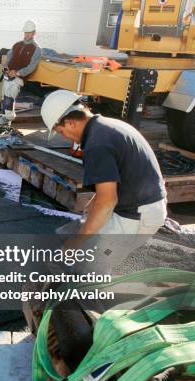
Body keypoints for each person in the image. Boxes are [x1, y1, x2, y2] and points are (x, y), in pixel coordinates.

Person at [41, 90, 168, 272]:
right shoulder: (107, 126)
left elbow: (108, 201)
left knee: (92, 268)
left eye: (61, 131)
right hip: (142, 206)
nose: (64, 137)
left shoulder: (97, 145)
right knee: (83, 234)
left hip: (137, 215)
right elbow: (108, 189)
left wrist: (75, 244)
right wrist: (89, 212)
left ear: (69, 123)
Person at [0, 19, 42, 126]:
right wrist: (5, 66)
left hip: (19, 78)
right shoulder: (17, 44)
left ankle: (8, 119)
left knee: (9, 97)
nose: (27, 35)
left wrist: (17, 73)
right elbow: (8, 56)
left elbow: (31, 67)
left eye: (29, 33)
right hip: (8, 75)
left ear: (34, 33)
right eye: (26, 32)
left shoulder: (36, 49)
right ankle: (5, 119)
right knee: (4, 98)